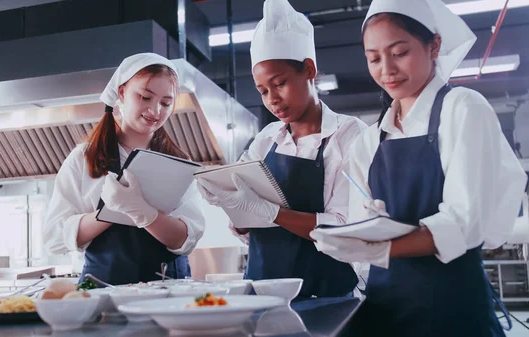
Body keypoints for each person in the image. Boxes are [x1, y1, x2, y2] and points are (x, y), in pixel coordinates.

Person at [311, 0, 527, 335]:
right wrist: (356, 235)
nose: (387, 69)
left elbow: (465, 222)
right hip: (385, 310)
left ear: (434, 45)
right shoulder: (369, 141)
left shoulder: (464, 109)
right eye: (374, 58)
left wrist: (383, 246)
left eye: (399, 52)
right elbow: (357, 226)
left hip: (453, 309)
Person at [197, 0, 367, 300]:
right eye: (263, 91)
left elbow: (344, 228)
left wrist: (272, 213)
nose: (272, 99)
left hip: (327, 296)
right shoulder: (266, 140)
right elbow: (246, 228)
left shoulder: (349, 136)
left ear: (309, 69)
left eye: (280, 84)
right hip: (263, 294)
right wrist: (230, 203)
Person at [43, 53, 205, 285]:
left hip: (168, 293)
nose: (156, 110)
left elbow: (187, 238)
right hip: (102, 293)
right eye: (145, 97)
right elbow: (55, 237)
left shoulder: (177, 162)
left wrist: (142, 212)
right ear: (121, 93)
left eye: (166, 103)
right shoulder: (84, 158)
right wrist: (109, 213)